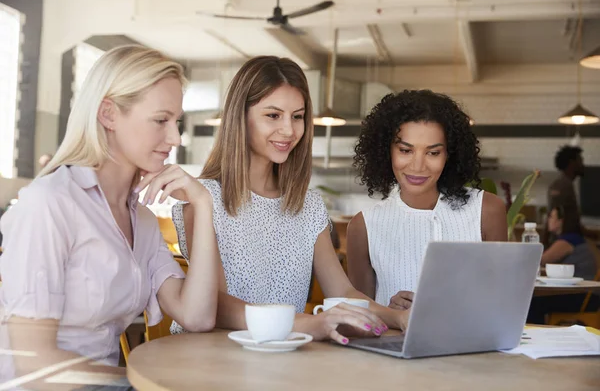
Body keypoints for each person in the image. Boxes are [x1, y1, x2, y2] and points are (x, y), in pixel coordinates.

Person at [0, 45, 220, 377]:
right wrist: (140, 384)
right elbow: (34, 362)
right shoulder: (50, 203)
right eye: (161, 120)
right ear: (108, 114)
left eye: (176, 122)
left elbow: (198, 317)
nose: (175, 137)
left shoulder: (141, 219)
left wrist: (203, 205)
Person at [170, 56, 409, 344]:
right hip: (211, 358)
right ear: (239, 118)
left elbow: (342, 292)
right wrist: (311, 324)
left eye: (297, 116)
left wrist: (398, 318)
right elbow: (216, 307)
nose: (289, 130)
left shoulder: (307, 206)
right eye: (273, 115)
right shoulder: (204, 199)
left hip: (281, 358)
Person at [346, 90, 507, 311]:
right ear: (386, 151)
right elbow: (359, 319)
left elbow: (502, 305)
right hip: (394, 344)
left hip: (471, 345)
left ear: (449, 155)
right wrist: (388, 313)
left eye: (433, 153)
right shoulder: (363, 226)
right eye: (405, 150)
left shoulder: (486, 211)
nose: (418, 166)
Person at [528, 205, 599, 324]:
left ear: (561, 221)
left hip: (585, 297)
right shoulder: (576, 238)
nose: (548, 220)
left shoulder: (568, 240)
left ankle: (535, 337)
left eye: (551, 217)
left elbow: (540, 259)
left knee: (534, 302)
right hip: (587, 296)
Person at [547, 146, 585, 236]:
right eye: (580, 161)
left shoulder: (566, 184)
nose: (583, 165)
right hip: (564, 242)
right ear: (572, 163)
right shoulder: (561, 185)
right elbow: (553, 215)